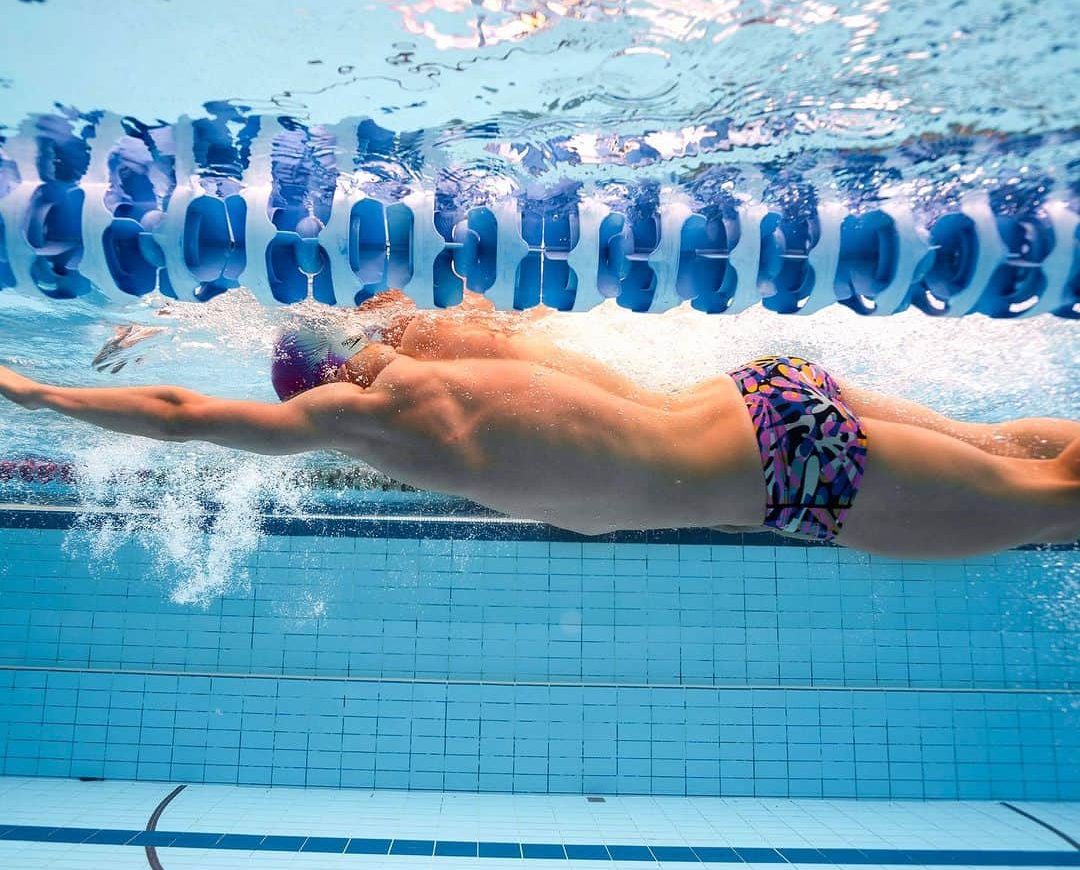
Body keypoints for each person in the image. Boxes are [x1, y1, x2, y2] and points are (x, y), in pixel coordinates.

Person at [1, 291, 1077, 559]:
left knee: (1062, 507)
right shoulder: (447, 333)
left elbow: (187, 415)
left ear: (313, 392)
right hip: (769, 393)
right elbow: (296, 300)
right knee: (1027, 448)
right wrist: (172, 305)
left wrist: (38, 393)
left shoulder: (377, 419)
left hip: (789, 470)